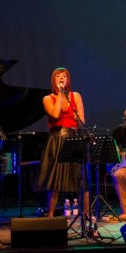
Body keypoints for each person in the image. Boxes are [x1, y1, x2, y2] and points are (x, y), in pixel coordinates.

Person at [36, 67, 89, 219]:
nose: (61, 78)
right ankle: (51, 214)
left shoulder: (76, 96)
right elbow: (54, 113)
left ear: (68, 80)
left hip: (73, 137)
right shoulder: (48, 98)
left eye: (64, 76)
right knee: (56, 179)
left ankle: (85, 213)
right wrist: (60, 94)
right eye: (58, 76)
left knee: (80, 176)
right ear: (53, 80)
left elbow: (82, 120)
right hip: (57, 139)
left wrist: (75, 117)